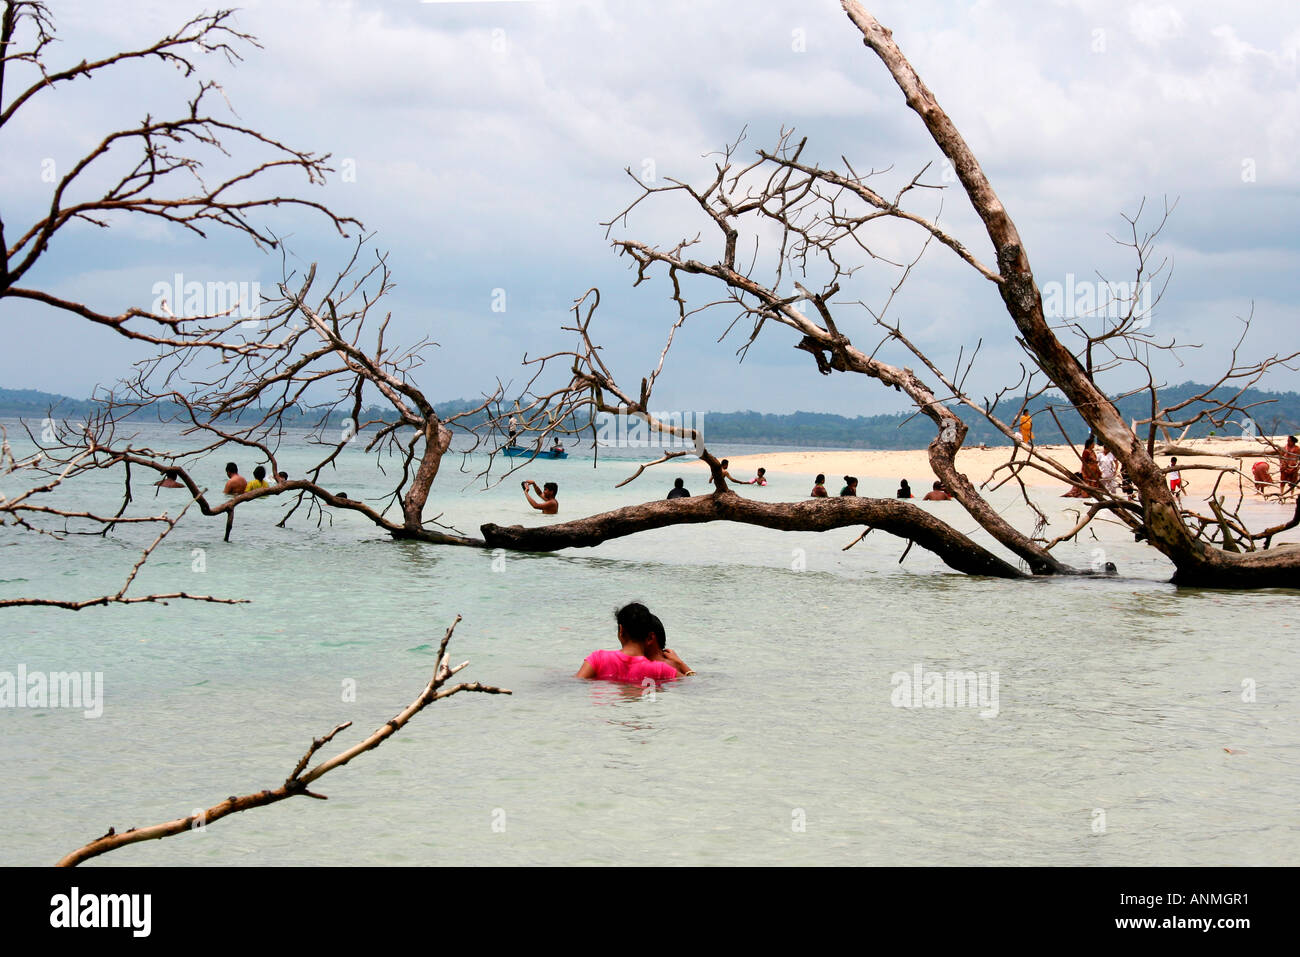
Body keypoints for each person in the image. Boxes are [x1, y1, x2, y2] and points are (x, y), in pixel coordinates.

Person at [576, 602, 679, 684]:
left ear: (621, 630)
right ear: (650, 637)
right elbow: (690, 687)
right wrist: (680, 664)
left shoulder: (598, 659)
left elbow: (576, 683)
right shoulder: (661, 670)